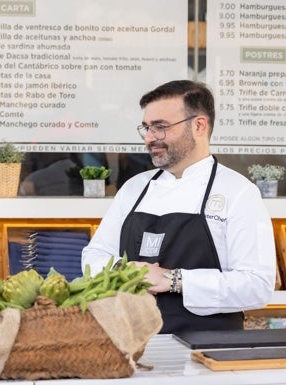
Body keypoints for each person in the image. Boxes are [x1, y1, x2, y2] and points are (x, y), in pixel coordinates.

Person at [81, 80, 276, 334]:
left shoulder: (238, 192)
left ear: (199, 125)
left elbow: (257, 286)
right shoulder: (133, 189)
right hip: (130, 342)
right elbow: (92, 257)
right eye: (147, 128)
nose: (150, 138)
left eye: (161, 127)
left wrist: (172, 279)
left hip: (208, 348)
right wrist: (125, 270)